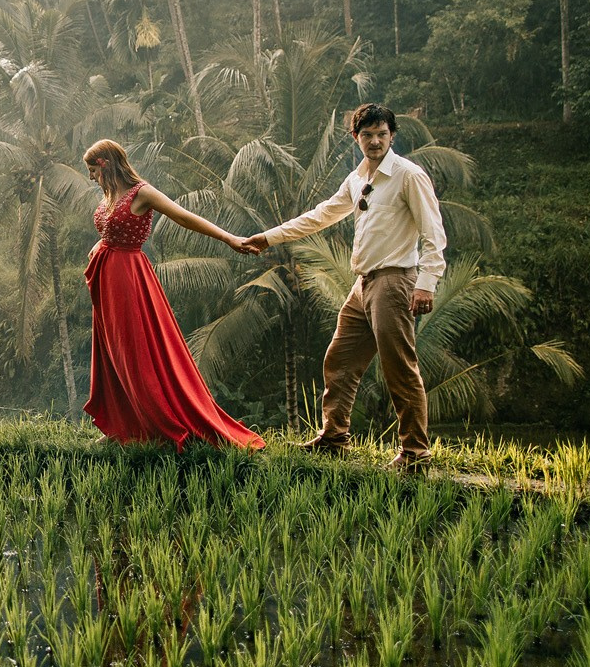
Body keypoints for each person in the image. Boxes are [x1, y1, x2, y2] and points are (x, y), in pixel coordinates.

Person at [239, 103, 447, 471]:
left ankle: (415, 453)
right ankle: (334, 438)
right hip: (363, 283)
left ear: (391, 136)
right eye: (367, 135)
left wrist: (426, 284)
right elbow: (321, 215)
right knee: (339, 360)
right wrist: (269, 238)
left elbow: (434, 235)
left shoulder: (408, 175)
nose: (375, 141)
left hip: (396, 280)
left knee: (399, 366)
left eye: (382, 134)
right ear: (357, 138)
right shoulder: (358, 178)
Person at [81, 138, 264, 450]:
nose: (91, 178)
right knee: (112, 354)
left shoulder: (142, 193)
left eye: (92, 170)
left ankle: (156, 422)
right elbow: (107, 232)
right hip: (106, 278)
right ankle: (123, 424)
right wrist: (100, 247)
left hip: (129, 279)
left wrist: (229, 238)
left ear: (106, 164)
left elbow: (183, 217)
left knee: (134, 352)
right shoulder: (107, 196)